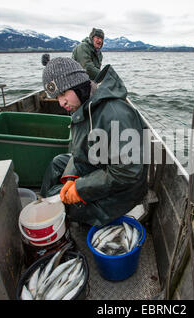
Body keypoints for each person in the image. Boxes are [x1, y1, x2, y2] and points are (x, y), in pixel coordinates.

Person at [40, 55, 148, 227]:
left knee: (67, 205)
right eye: (57, 97)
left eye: (63, 93)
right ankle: (46, 204)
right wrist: (71, 176)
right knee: (57, 164)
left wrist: (80, 187)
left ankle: (52, 212)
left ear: (77, 85)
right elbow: (78, 150)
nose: (61, 102)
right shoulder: (84, 106)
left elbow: (127, 172)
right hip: (101, 166)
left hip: (125, 190)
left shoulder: (115, 114)